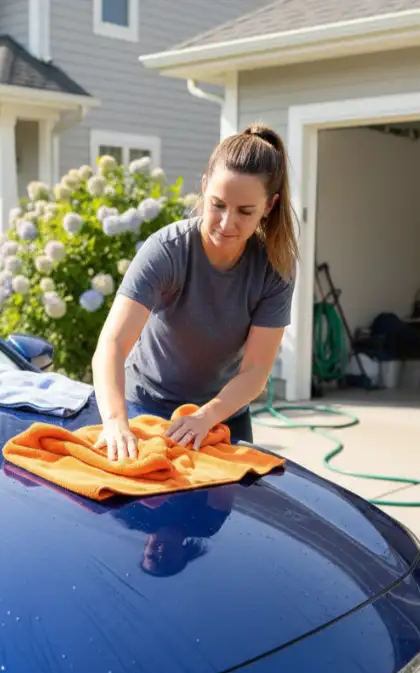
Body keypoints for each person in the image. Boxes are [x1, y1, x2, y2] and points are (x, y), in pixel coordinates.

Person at [91, 123, 300, 462]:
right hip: (146, 404)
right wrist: (115, 422)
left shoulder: (275, 268)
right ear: (204, 188)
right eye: (217, 204)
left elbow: (254, 372)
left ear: (269, 206)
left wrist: (206, 416)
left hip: (222, 412)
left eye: (245, 211)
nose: (226, 222)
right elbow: (112, 345)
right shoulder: (167, 251)